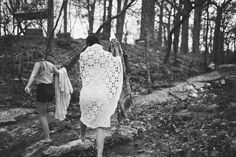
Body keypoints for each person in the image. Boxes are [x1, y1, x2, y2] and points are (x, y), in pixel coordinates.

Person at [79, 34, 123, 157]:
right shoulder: (106, 55)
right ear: (99, 42)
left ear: (87, 43)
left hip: (86, 93)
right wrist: (117, 49)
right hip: (101, 94)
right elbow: (117, 63)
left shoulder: (83, 56)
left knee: (84, 115)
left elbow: (84, 70)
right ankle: (99, 154)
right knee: (101, 126)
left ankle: (82, 137)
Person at [25, 51, 59, 143]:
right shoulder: (50, 64)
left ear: (35, 57)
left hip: (42, 89)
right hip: (50, 89)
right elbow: (59, 74)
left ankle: (47, 137)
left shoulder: (38, 64)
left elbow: (33, 75)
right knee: (45, 113)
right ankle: (48, 134)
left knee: (42, 115)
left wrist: (28, 86)